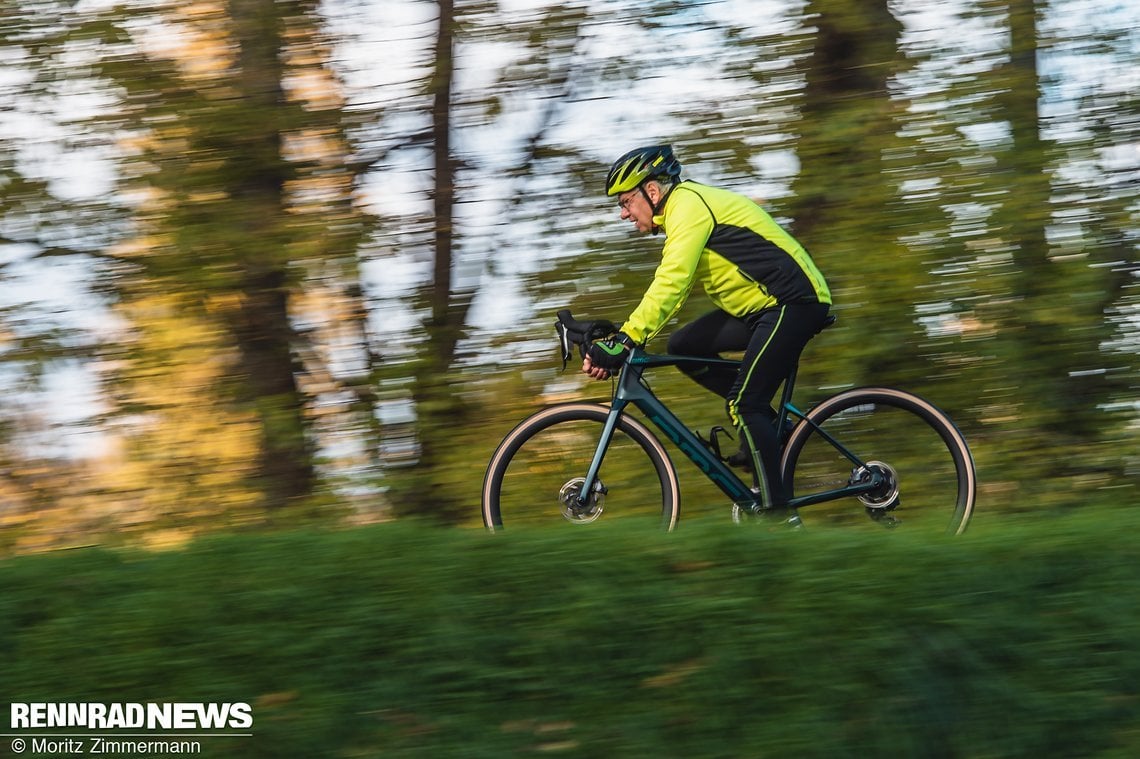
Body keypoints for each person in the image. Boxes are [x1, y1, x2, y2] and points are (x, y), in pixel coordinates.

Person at [582, 145, 832, 512]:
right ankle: (772, 431)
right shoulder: (683, 213)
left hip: (791, 303)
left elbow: (673, 281)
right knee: (687, 344)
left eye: (625, 201)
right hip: (762, 310)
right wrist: (623, 335)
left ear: (652, 192)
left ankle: (779, 516)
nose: (622, 213)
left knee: (746, 404)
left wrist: (627, 338)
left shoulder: (688, 205)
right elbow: (674, 291)